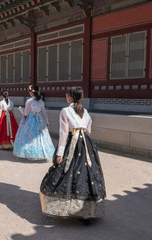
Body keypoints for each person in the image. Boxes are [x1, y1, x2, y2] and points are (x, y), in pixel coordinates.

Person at [39, 87, 106, 225]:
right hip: (85, 144)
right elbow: (88, 130)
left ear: (70, 97)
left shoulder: (65, 111)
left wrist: (60, 154)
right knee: (87, 174)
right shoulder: (85, 111)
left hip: (72, 143)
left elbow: (63, 134)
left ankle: (59, 206)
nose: (65, 96)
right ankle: (86, 212)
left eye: (67, 94)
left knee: (64, 171)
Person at [13, 85, 54, 161]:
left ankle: (30, 153)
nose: (29, 92)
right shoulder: (41, 102)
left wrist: (20, 108)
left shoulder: (29, 101)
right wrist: (47, 123)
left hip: (31, 120)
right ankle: (40, 153)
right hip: (40, 120)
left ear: (32, 92)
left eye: (29, 91)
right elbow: (44, 114)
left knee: (29, 136)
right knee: (40, 137)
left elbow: (25, 113)